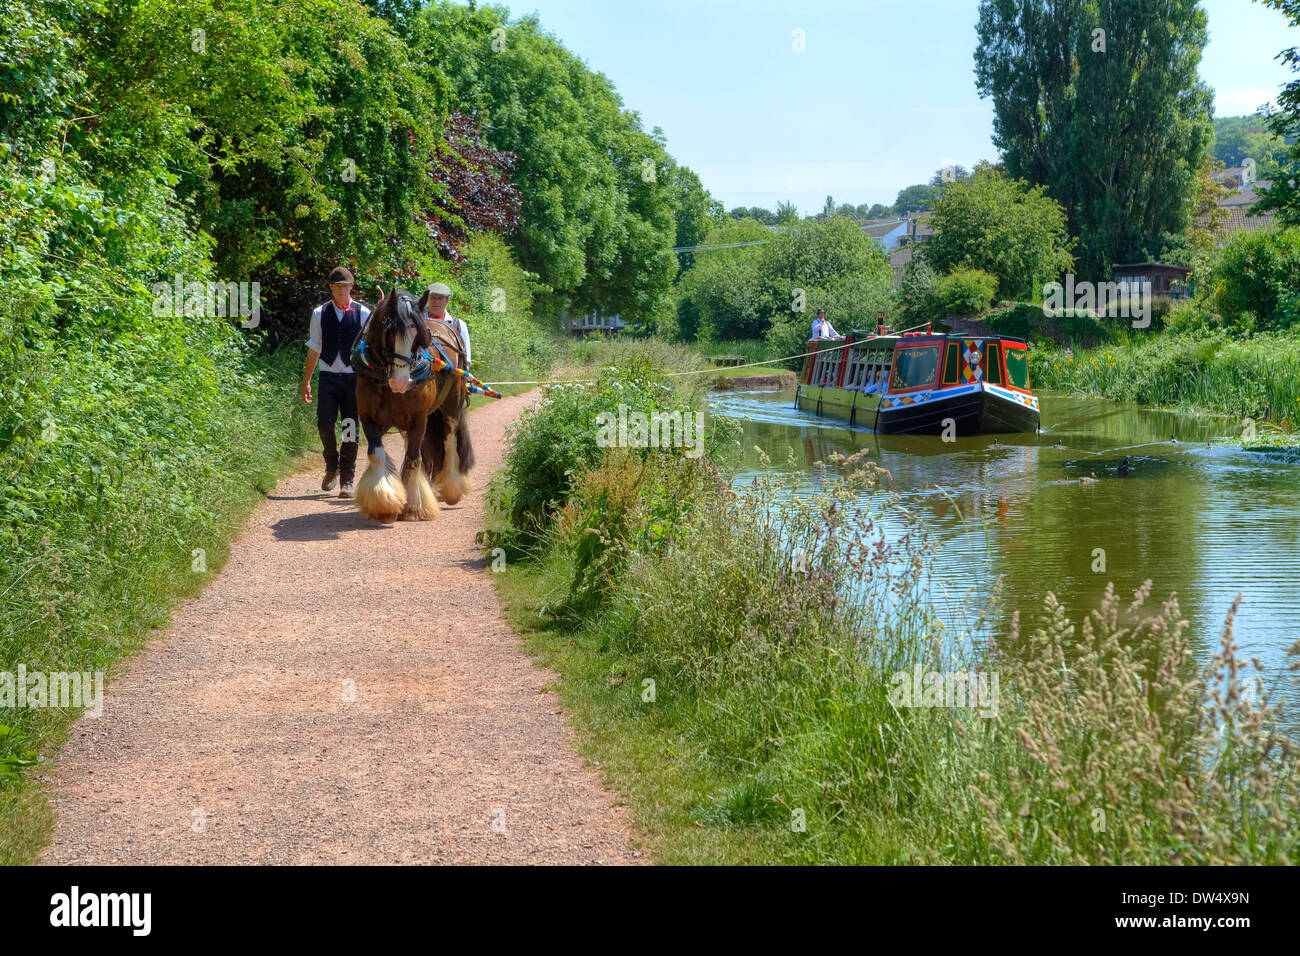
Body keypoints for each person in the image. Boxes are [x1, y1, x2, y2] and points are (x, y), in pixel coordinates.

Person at [302, 266, 371, 498]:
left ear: (352, 286)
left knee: (350, 428)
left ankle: (347, 480)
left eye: (346, 285)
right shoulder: (319, 313)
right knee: (324, 423)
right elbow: (314, 349)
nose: (343, 289)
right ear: (331, 287)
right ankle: (332, 465)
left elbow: (369, 350)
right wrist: (307, 381)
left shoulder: (363, 313)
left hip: (353, 379)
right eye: (338, 286)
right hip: (329, 377)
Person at [422, 282, 471, 369]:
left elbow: (466, 359)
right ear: (427, 299)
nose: (436, 302)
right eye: (433, 298)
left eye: (440, 298)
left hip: (451, 376)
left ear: (447, 300)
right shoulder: (417, 323)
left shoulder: (458, 325)